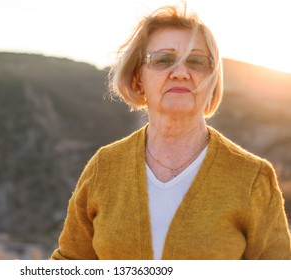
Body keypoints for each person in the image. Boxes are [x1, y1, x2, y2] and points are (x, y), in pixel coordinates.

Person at [50, 3, 291, 260]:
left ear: (212, 78)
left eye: (196, 62)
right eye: (163, 60)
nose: (180, 73)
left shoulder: (253, 178)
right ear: (138, 77)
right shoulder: (104, 167)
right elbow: (69, 263)